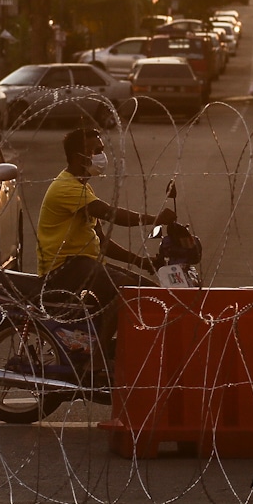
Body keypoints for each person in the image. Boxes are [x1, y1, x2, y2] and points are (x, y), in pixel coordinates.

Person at [37, 127, 176, 367]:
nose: (102, 156)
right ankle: (97, 360)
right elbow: (110, 214)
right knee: (127, 292)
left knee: (149, 290)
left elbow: (101, 242)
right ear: (79, 156)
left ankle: (115, 350)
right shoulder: (66, 188)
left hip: (83, 265)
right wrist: (154, 219)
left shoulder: (82, 187)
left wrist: (140, 261)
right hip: (64, 268)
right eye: (97, 151)